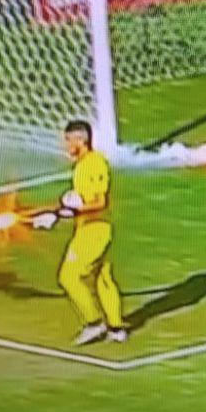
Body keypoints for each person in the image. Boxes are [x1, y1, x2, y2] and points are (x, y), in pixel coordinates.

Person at [31, 120, 126, 344]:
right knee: (103, 278)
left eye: (68, 140)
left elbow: (99, 201)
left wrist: (69, 211)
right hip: (94, 228)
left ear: (80, 140)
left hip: (95, 230)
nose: (65, 145)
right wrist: (57, 212)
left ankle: (94, 323)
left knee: (69, 276)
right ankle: (116, 329)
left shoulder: (94, 164)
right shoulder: (83, 166)